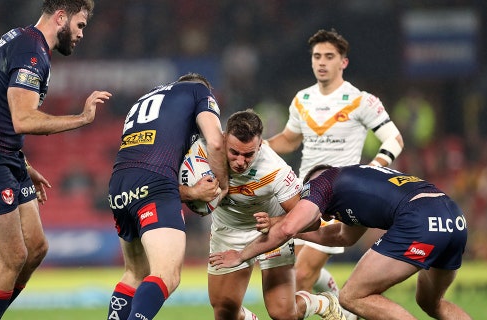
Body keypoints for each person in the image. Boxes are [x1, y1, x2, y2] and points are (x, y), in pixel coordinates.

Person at [0, 1, 111, 319]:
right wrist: (81, 118)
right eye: (80, 25)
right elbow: (23, 119)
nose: (80, 34)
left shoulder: (22, 40)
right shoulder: (31, 52)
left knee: (36, 248)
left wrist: (23, 165)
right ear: (61, 17)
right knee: (13, 257)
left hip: (5, 155)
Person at [210, 164, 472, 320]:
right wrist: (298, 232)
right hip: (452, 216)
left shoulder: (321, 183)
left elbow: (289, 227)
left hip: (419, 219)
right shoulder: (356, 187)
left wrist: (243, 255)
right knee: (431, 302)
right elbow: (340, 236)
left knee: (351, 296)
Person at [266, 28, 404, 309]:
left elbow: (395, 139)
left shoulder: (361, 100)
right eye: (317, 56)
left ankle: (329, 307)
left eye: (329, 56)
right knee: (294, 270)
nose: (321, 62)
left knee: (300, 276)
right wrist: (255, 147)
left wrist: (374, 167)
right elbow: (289, 140)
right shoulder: (302, 99)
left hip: (340, 197)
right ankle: (340, 307)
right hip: (302, 195)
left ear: (343, 62)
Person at [183, 109, 344, 320]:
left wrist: (276, 222)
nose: (241, 161)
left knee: (283, 314)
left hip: (271, 233)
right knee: (225, 313)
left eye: (249, 154)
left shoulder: (275, 170)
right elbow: (163, 188)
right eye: (234, 152)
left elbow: (311, 221)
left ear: (260, 145)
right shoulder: (201, 151)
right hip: (228, 230)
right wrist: (192, 192)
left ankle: (322, 302)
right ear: (223, 139)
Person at [107, 73, 229, 320]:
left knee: (135, 274)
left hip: (118, 186)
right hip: (155, 184)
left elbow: (143, 164)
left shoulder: (144, 100)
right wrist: (223, 186)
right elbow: (216, 142)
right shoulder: (199, 91)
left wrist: (192, 192)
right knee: (167, 275)